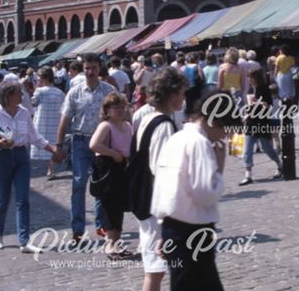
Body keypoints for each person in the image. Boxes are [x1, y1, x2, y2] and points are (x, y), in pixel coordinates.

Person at [151, 91, 241, 290]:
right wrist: (218, 169)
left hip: (173, 226)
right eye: (225, 129)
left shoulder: (177, 138)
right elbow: (204, 193)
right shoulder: (199, 143)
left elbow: (162, 189)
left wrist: (163, 231)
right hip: (193, 230)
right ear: (215, 121)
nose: (225, 136)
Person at [0, 81, 63, 253]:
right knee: (3, 199)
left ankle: (24, 241)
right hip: (3, 156)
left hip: (21, 156)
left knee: (23, 200)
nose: (22, 96)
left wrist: (52, 148)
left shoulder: (24, 113)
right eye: (19, 93)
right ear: (9, 96)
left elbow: (34, 136)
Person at [55, 53, 116, 243]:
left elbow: (119, 116)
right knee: (79, 184)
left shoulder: (109, 91)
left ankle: (102, 225)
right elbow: (65, 119)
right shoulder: (75, 91)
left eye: (93, 68)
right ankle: (78, 229)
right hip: (80, 142)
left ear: (99, 69)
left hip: (102, 143)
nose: (90, 72)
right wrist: (58, 145)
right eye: (87, 68)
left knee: (102, 186)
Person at [135, 69, 185, 291]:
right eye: (182, 93)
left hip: (145, 201)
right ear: (172, 94)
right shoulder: (164, 125)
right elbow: (161, 172)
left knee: (154, 269)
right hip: (157, 207)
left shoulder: (147, 119)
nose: (184, 98)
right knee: (155, 270)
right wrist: (167, 218)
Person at [88, 92, 133, 259]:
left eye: (122, 107)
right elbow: (94, 145)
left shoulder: (127, 125)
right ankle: (109, 245)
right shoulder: (106, 126)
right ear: (107, 110)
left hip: (122, 168)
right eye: (116, 108)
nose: (120, 110)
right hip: (108, 168)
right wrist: (113, 153)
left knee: (119, 207)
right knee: (110, 208)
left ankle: (116, 244)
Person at [239, 68, 283, 186]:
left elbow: (267, 106)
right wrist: (245, 116)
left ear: (257, 77)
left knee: (267, 148)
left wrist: (257, 101)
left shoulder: (264, 89)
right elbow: (250, 106)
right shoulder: (250, 89)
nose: (249, 80)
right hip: (251, 122)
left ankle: (280, 165)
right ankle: (248, 175)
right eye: (249, 77)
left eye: (251, 77)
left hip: (262, 122)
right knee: (247, 149)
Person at [31, 67, 66, 180]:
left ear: (43, 78)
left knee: (44, 142)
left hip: (42, 121)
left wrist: (36, 88)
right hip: (55, 121)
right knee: (54, 143)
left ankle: (50, 169)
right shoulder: (59, 92)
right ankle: (51, 169)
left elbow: (33, 103)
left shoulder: (40, 91)